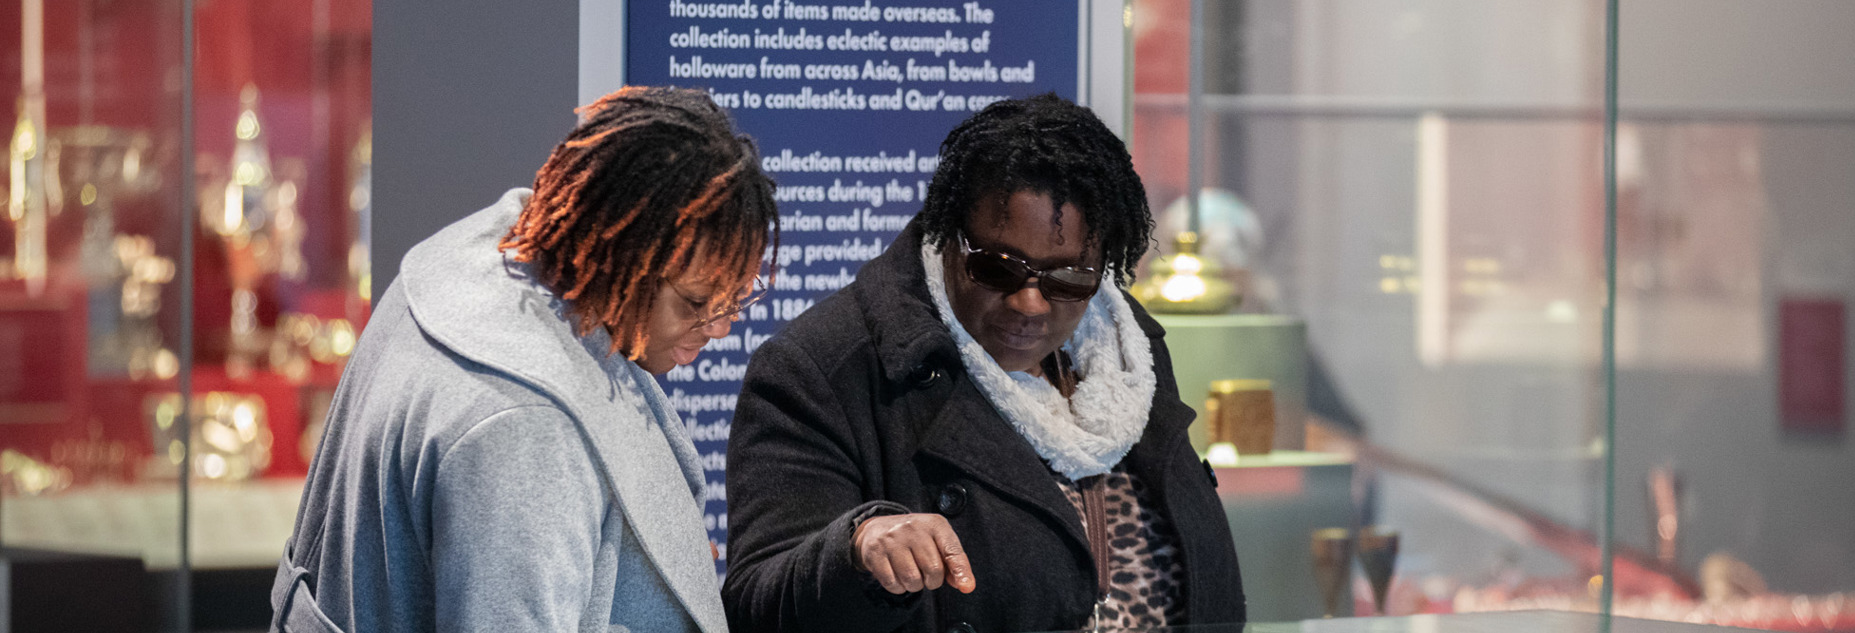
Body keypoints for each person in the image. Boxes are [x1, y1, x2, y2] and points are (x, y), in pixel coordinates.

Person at [723, 94, 1244, 633]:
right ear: (949, 235)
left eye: (1068, 279)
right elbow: (757, 603)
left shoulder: (1127, 350)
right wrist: (856, 548)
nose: (1030, 305)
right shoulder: (827, 369)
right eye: (998, 268)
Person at [271, 86, 775, 633]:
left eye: (735, 299)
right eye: (698, 303)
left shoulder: (472, 260)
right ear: (617, 253)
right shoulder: (526, 426)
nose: (721, 328)